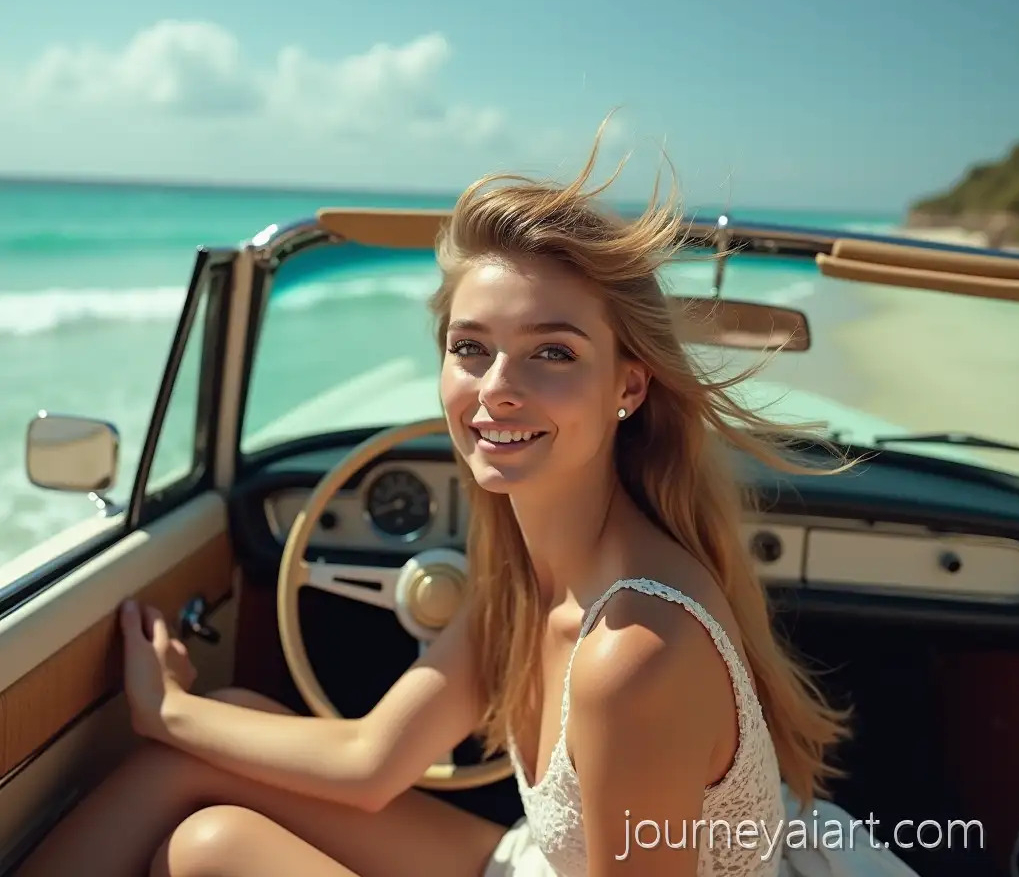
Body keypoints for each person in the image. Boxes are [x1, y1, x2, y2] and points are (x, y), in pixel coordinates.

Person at [17, 118, 853, 877]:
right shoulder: (532, 579)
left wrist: (167, 710)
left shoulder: (631, 658)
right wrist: (165, 710)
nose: (497, 391)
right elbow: (373, 760)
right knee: (204, 740)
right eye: (471, 348)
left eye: (552, 354)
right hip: (535, 865)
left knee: (210, 850)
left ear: (627, 386)